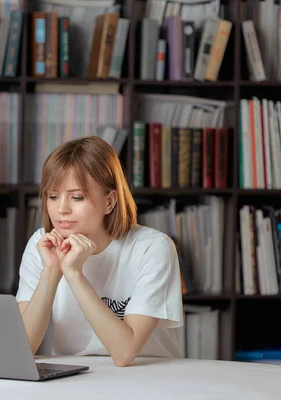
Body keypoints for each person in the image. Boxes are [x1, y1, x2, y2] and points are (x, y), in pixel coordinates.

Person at [15, 136, 184, 367]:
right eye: (52, 196)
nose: (61, 209)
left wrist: (74, 274)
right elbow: (22, 350)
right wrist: (51, 271)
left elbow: (124, 354)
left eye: (77, 197)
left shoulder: (152, 248)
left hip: (146, 377)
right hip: (77, 376)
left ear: (110, 201)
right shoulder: (42, 245)